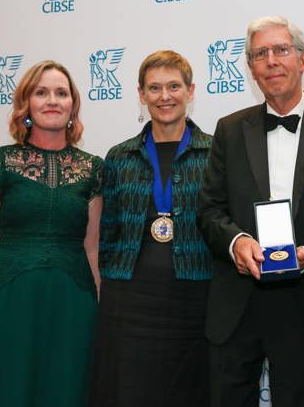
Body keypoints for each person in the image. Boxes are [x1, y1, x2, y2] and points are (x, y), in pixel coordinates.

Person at [197, 16, 304, 407]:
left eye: (281, 50)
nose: (271, 61)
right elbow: (209, 210)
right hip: (238, 304)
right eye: (260, 54)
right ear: (251, 68)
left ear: (303, 59)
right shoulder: (228, 129)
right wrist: (237, 242)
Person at [0, 60, 103, 406]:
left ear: (73, 105)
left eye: (62, 93)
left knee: (65, 392)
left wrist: (102, 312)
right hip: (5, 300)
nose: (52, 100)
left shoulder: (94, 168)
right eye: (41, 92)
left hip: (72, 304)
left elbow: (92, 248)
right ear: (26, 104)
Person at [90, 50, 213, 407]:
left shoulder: (216, 151)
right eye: (154, 88)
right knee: (128, 390)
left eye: (174, 86)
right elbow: (107, 229)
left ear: (190, 91)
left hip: (195, 293)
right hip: (128, 297)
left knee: (189, 391)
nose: (165, 96)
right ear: (141, 95)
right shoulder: (119, 156)